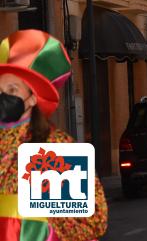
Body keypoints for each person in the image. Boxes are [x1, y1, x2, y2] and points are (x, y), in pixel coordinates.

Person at [0, 29, 108, 241]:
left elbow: (91, 224)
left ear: (32, 99)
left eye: (12, 90)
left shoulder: (51, 147)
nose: (2, 96)